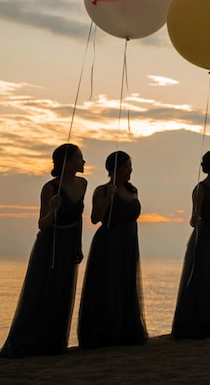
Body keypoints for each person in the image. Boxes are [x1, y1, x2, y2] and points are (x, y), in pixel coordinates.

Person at [1, 144, 87, 358]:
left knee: (63, 290)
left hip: (69, 243)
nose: (83, 162)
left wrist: (78, 245)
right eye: (79, 158)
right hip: (51, 244)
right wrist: (53, 209)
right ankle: (32, 341)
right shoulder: (50, 188)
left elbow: (78, 219)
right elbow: (42, 224)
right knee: (42, 290)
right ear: (66, 162)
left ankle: (54, 341)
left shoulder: (83, 184)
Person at [77, 151, 148, 348]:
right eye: (126, 167)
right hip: (109, 243)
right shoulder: (101, 190)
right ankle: (105, 331)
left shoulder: (133, 190)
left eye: (130, 167)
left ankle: (125, 329)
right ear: (114, 169)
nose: (130, 170)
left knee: (126, 283)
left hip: (129, 243)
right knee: (107, 285)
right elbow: (95, 218)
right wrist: (109, 197)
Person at [172, 149, 210, 339]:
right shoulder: (200, 189)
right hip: (205, 237)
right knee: (202, 276)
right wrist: (195, 218)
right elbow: (193, 219)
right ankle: (195, 323)